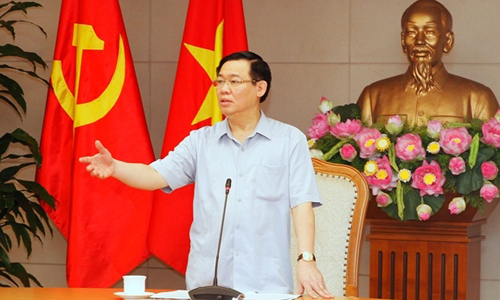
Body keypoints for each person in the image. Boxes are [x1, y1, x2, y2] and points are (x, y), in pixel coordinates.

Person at [79, 51, 333, 298]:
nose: (224, 89)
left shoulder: (288, 140)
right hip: (207, 283)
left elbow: (302, 204)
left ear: (260, 88)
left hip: (265, 282)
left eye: (234, 81)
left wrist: (306, 260)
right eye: (220, 81)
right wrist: (116, 167)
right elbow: (154, 175)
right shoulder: (201, 141)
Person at [357, 0, 499, 127]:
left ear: (448, 41)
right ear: (403, 41)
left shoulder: (478, 98)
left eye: (430, 32)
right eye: (411, 32)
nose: (419, 41)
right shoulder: (373, 96)